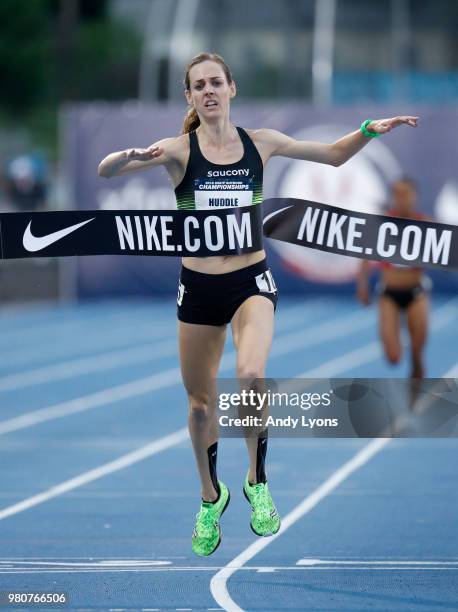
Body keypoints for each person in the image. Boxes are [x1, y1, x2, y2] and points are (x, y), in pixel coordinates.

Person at [98, 52, 418, 556]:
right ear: (189, 96)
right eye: (198, 85)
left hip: (250, 279)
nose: (208, 91)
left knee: (250, 376)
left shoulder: (260, 144)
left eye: (216, 82)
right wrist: (129, 155)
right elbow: (106, 171)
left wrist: (369, 129)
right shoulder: (179, 151)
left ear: (231, 88)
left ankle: (256, 481)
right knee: (201, 405)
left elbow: (333, 155)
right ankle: (210, 497)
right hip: (199, 288)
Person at [357, 178, 430, 379]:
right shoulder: (382, 224)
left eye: (406, 194)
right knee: (393, 357)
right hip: (389, 293)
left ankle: (416, 375)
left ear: (414, 196)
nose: (401, 198)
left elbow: (447, 253)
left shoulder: (426, 224)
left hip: (417, 292)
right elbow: (365, 255)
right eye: (397, 194)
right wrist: (362, 285)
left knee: (416, 349)